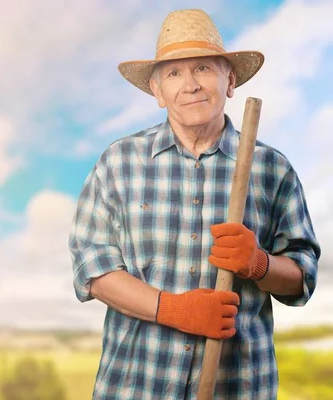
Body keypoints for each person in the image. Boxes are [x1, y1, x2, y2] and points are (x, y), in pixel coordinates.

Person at [68, 8, 321, 400]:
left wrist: (259, 264)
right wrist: (171, 309)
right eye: (173, 73)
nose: (190, 86)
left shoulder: (272, 169)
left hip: (239, 387)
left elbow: (303, 276)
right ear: (157, 91)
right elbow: (93, 268)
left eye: (203, 68)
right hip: (134, 387)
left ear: (230, 80)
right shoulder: (119, 163)